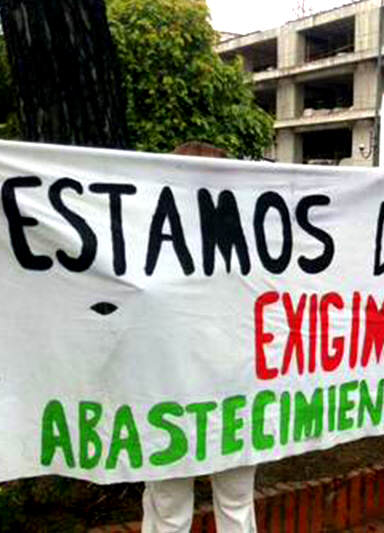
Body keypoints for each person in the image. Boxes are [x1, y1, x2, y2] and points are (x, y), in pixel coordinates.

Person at [141, 141, 257, 533]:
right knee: (176, 507)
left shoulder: (253, 250)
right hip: (172, 399)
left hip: (230, 397)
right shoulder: (148, 251)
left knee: (222, 503)